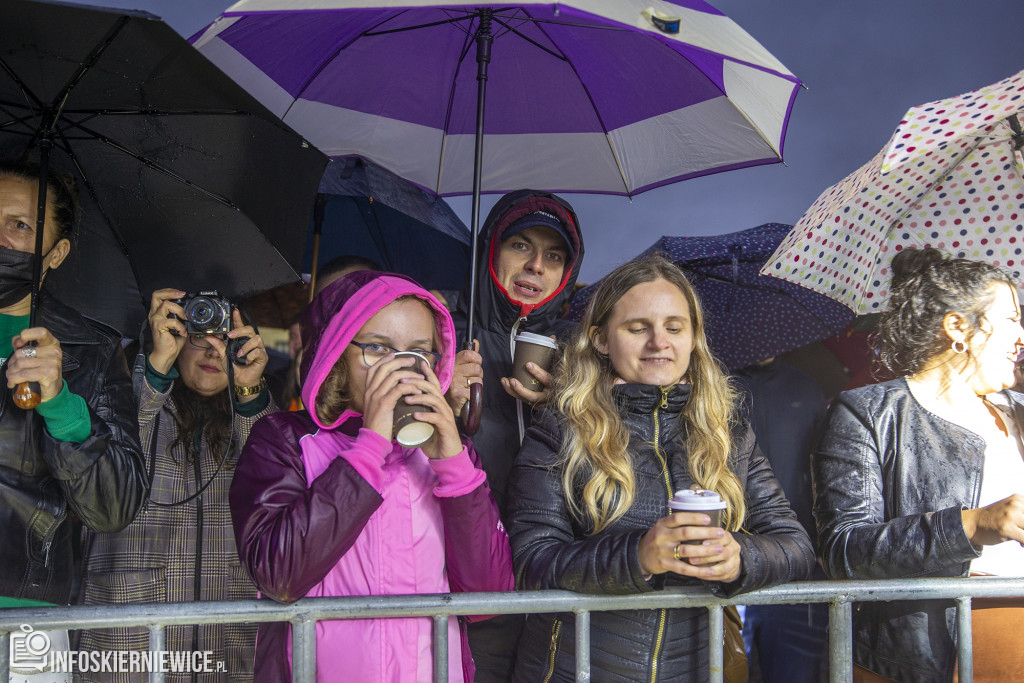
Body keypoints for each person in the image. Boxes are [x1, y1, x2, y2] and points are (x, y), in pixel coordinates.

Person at [508, 255, 816, 680]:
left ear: (693, 338)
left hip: (692, 669)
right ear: (600, 339)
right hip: (573, 670)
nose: (659, 343)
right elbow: (531, 561)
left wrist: (739, 558)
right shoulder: (562, 428)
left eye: (675, 327)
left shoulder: (726, 431)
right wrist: (639, 555)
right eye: (638, 328)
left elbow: (795, 545)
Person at [229, 271, 513, 682]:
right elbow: (279, 574)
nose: (401, 368)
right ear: (337, 352)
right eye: (378, 348)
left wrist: (453, 463)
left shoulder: (453, 454)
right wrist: (369, 446)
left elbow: (488, 600)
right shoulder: (285, 440)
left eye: (419, 352)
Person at [812, 247, 1024, 682]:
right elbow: (844, 550)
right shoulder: (869, 412)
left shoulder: (1019, 414)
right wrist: (971, 525)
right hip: (926, 659)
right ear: (957, 327)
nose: (1021, 335)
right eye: (1011, 319)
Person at [77, 289, 274, 682]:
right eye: (198, 331)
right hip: (125, 647)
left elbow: (272, 478)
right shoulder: (127, 398)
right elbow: (103, 452)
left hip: (225, 647)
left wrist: (250, 392)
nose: (213, 350)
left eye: (226, 336)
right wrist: (156, 364)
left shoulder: (254, 421)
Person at [447, 190, 584, 680]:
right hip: (464, 574)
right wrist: (446, 404)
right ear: (491, 251)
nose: (535, 267)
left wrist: (565, 408)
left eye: (553, 256)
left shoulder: (579, 347)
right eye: (520, 246)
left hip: (548, 573)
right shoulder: (444, 332)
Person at [732, 357, 828, 682]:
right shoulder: (711, 387)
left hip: (798, 565)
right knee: (726, 671)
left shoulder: (807, 388)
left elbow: (825, 475)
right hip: (729, 564)